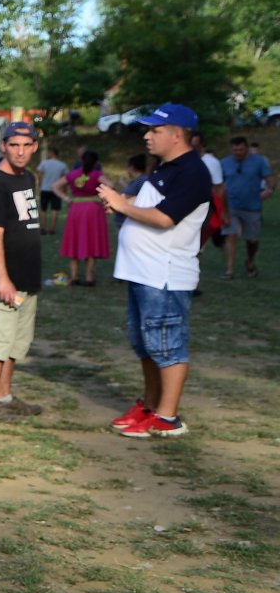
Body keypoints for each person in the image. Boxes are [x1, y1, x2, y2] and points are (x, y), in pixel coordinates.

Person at [98, 103, 212, 438]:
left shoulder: (192, 172)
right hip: (142, 272)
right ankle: (150, 406)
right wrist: (122, 202)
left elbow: (165, 218)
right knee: (146, 343)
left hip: (164, 275)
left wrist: (122, 205)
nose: (147, 137)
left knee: (167, 345)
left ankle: (167, 417)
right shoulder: (165, 168)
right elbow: (150, 207)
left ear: (177, 135)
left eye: (155, 131)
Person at [0, 122, 43, 420]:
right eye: (13, 145)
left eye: (26, 145)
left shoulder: (27, 177)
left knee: (17, 342)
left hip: (27, 277)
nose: (20, 151)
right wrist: (2, 278)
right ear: (3, 146)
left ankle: (5, 395)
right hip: (7, 280)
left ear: (34, 147)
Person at [56, 148, 111, 286]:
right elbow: (111, 185)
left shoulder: (73, 174)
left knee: (75, 239)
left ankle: (74, 277)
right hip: (93, 210)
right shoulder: (97, 174)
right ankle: (89, 277)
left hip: (76, 209)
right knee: (91, 241)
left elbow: (55, 186)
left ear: (81, 160)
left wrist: (67, 198)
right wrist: (101, 197)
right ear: (96, 162)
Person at [220, 135, 272, 279]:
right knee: (231, 235)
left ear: (247, 148)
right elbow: (219, 185)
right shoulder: (224, 163)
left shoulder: (259, 162)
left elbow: (269, 179)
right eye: (235, 150)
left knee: (252, 240)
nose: (238, 153)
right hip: (231, 206)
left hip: (252, 207)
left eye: (241, 150)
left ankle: (250, 261)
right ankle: (229, 270)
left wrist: (269, 190)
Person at [36, 145, 68, 235]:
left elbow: (40, 174)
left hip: (45, 189)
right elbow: (65, 178)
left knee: (43, 209)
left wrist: (40, 184)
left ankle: (42, 228)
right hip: (57, 190)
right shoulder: (62, 165)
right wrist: (64, 189)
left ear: (52, 153)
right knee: (55, 210)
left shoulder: (44, 163)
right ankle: (52, 229)